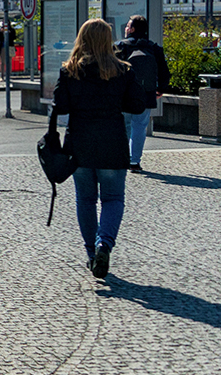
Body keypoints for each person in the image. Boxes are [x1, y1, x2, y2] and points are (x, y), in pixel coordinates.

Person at [54, 18, 144, 278]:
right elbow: (138, 105)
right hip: (112, 145)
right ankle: (104, 243)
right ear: (108, 41)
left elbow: (61, 106)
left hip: (80, 145)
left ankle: (92, 255)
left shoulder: (69, 70)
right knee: (113, 199)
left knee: (86, 199)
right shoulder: (123, 71)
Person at [115, 15, 170, 172]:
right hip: (146, 93)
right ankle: (135, 161)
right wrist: (160, 89)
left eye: (127, 26)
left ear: (131, 29)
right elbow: (164, 72)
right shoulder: (154, 48)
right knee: (140, 126)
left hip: (124, 94)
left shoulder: (120, 46)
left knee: (124, 126)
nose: (126, 28)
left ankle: (121, 158)